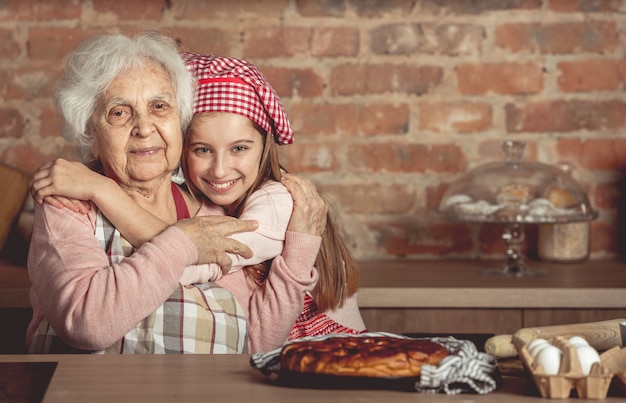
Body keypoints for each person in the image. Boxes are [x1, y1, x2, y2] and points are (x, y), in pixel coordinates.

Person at [32, 52, 367, 351]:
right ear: (91, 137)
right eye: (119, 112)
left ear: (177, 126)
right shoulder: (69, 203)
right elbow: (89, 325)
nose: (144, 127)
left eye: (159, 107)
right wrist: (186, 241)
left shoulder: (222, 209)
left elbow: (258, 341)